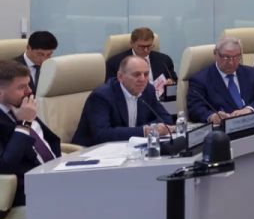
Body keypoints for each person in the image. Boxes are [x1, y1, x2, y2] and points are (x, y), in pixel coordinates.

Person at [73, 56, 174, 147]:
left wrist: (152, 128)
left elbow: (166, 119)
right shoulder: (101, 96)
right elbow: (102, 134)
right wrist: (144, 131)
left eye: (146, 74)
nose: (143, 79)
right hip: (91, 152)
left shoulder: (148, 90)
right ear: (120, 77)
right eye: (137, 74)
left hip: (130, 149)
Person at [0, 60, 61, 206]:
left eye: (28, 84)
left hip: (53, 175)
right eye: (21, 87)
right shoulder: (25, 114)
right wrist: (24, 124)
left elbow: (51, 141)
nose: (29, 91)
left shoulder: (21, 106)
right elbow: (4, 168)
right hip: (25, 190)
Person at [186, 37, 254, 125]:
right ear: (215, 54)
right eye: (226, 57)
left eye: (236, 57)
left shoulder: (251, 73)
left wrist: (249, 109)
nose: (231, 62)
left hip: (252, 123)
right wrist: (212, 116)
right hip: (223, 127)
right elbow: (195, 108)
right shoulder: (200, 79)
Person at [104, 28, 178, 96]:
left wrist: (171, 82)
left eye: (149, 46)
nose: (146, 50)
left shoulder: (164, 60)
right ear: (132, 43)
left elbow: (175, 81)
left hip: (159, 101)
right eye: (141, 47)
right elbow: (111, 88)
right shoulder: (115, 63)